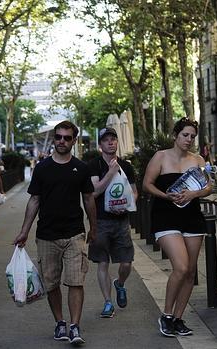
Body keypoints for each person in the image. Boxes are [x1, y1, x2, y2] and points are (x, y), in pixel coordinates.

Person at [13, 120, 97, 345]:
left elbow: (89, 198)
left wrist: (94, 227)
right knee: (51, 284)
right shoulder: (42, 168)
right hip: (47, 235)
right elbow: (34, 200)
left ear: (73, 140)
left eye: (66, 138)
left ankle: (75, 326)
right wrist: (24, 231)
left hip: (75, 234)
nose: (61, 141)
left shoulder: (81, 168)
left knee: (76, 281)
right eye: (58, 137)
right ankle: (60, 322)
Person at [143, 118, 211, 337]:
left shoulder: (198, 160)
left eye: (192, 136)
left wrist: (195, 193)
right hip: (165, 217)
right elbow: (146, 184)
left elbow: (209, 186)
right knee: (180, 267)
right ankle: (166, 315)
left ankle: (179, 319)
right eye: (185, 135)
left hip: (192, 218)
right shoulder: (160, 157)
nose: (189, 139)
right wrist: (166, 196)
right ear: (175, 135)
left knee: (190, 272)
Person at [87, 127, 138, 318]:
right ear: (100, 144)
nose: (110, 142)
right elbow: (95, 192)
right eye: (106, 140)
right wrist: (111, 172)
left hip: (122, 221)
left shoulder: (128, 166)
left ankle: (120, 284)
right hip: (99, 221)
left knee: (126, 263)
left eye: (113, 139)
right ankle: (108, 302)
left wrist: (128, 205)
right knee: (102, 262)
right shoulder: (93, 166)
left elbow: (134, 191)